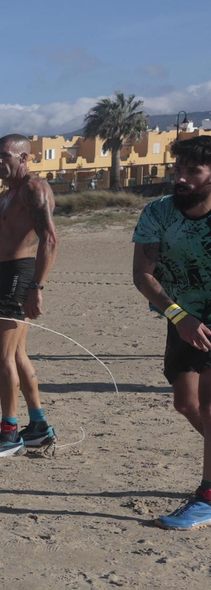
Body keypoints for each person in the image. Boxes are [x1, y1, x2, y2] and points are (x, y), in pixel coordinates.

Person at [0, 133, 59, 458]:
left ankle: (9, 434)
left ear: (25, 158)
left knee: (0, 357)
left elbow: (50, 239)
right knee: (17, 355)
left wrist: (37, 288)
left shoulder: (33, 189)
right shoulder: (7, 195)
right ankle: (39, 426)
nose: (0, 162)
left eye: (7, 156)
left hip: (21, 275)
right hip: (10, 276)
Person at [132, 135, 211, 528]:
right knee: (186, 403)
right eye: (177, 169)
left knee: (210, 405)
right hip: (182, 316)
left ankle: (208, 497)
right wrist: (179, 316)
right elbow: (142, 275)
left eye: (192, 171)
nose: (181, 178)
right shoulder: (159, 212)